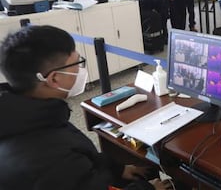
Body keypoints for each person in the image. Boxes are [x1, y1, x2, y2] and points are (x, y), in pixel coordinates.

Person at [0, 25, 171, 190]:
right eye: (77, 63)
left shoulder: (28, 116)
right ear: (54, 79)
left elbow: (81, 154)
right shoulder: (50, 159)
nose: (81, 69)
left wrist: (118, 169)